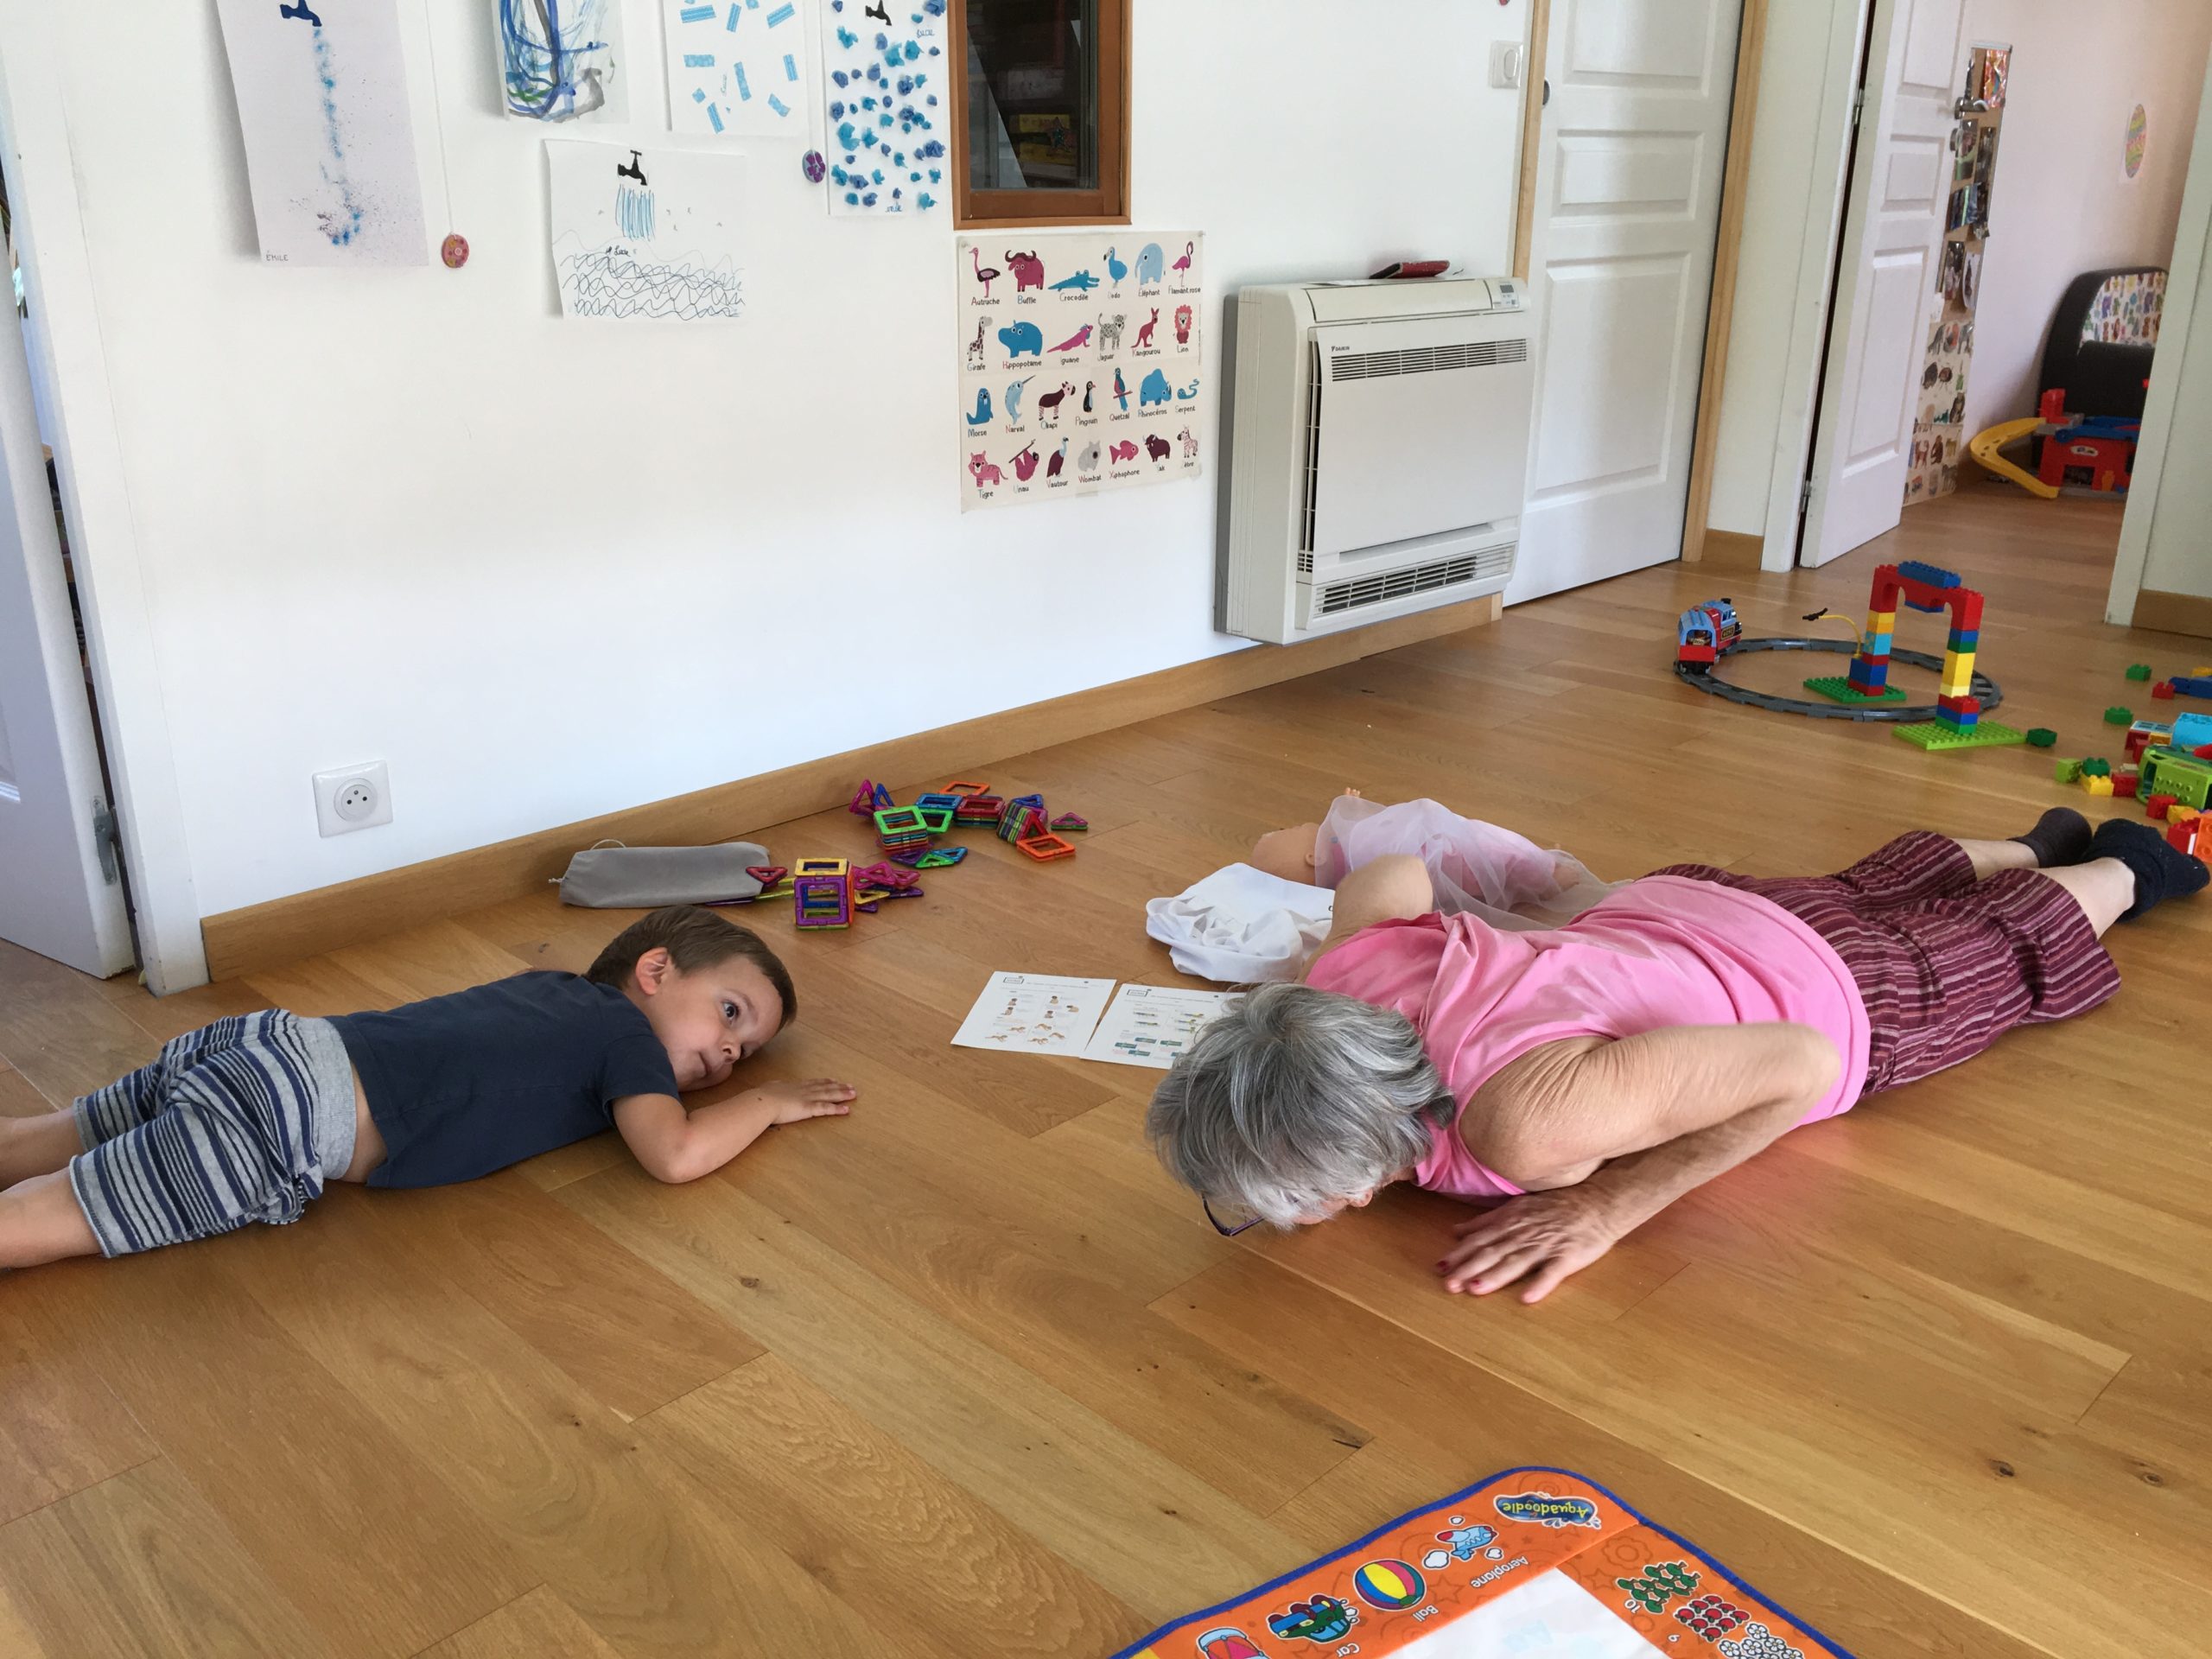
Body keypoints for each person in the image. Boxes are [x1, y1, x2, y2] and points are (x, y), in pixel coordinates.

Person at [1147, 810, 2203, 1304]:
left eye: (1286, 1199)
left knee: (1996, 944)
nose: (1290, 1219)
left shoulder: (1519, 1126)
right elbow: (1389, 876)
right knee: (1864, 886)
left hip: (1832, 993)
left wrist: (1608, 1208)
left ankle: (2121, 861)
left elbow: (1799, 1061)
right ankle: (2035, 839)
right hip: (1686, 902)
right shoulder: (1336, 981)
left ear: (1357, 1170)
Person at [0, 906, 855, 1270]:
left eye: (746, 1055)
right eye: (731, 1014)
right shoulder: (628, 1040)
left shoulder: (553, 991)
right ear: (655, 972)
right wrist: (765, 1103)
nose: (728, 1054)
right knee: (47, 1221)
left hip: (270, 1045)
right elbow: (674, 1154)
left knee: (42, 1138)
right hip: (283, 1118)